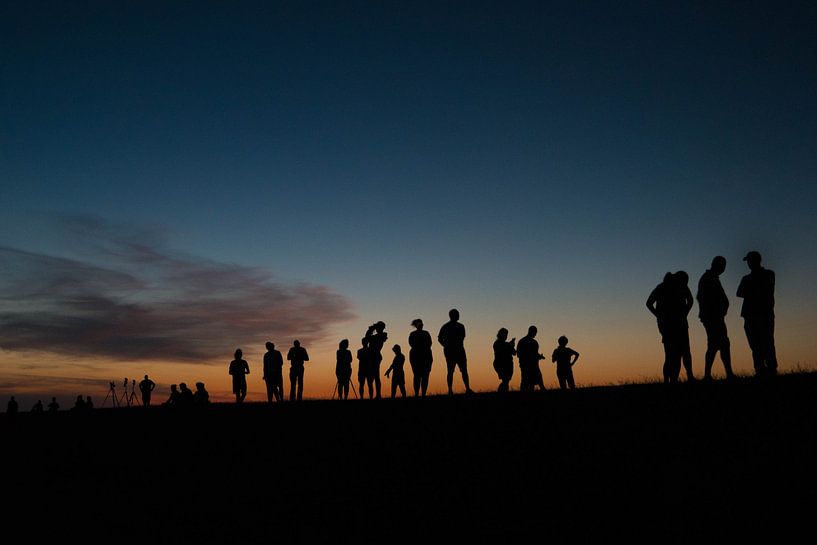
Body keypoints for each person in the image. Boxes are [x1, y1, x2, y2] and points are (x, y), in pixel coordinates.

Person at [736, 251, 777, 377]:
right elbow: (739, 293)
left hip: (759, 314)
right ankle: (762, 369)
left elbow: (741, 292)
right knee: (757, 343)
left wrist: (752, 291)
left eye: (749, 261)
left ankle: (768, 369)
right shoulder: (767, 275)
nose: (748, 264)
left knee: (765, 342)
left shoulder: (765, 275)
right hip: (755, 315)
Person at [697, 256, 735, 380]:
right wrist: (713, 311)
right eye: (722, 266)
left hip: (715, 316)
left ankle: (723, 373)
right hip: (712, 317)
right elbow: (701, 297)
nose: (723, 269)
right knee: (718, 344)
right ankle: (713, 374)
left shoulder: (712, 278)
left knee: (719, 344)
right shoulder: (708, 278)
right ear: (717, 265)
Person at [647, 272, 683, 383]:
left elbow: (649, 303)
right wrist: (658, 315)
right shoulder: (663, 288)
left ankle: (670, 380)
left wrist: (658, 315)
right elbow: (649, 303)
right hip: (668, 324)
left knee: (671, 354)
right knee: (673, 354)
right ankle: (670, 380)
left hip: (670, 324)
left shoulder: (664, 288)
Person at [438, 309, 473, 395]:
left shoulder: (460, 326)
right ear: (452, 316)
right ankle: (450, 390)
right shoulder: (446, 326)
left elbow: (462, 337)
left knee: (463, 370)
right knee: (451, 371)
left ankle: (467, 388)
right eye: (457, 314)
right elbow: (439, 338)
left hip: (459, 350)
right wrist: (445, 346)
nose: (458, 316)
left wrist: (446, 345)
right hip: (452, 351)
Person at [671, 271, 696, 382]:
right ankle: (676, 378)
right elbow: (690, 300)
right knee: (678, 352)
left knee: (684, 351)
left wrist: (686, 311)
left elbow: (690, 300)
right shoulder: (670, 288)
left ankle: (688, 376)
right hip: (673, 324)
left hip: (680, 323)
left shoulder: (683, 287)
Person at [408, 318, 433, 397]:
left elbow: (430, 343)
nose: (421, 325)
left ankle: (423, 394)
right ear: (416, 325)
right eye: (419, 323)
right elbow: (411, 344)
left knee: (425, 376)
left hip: (425, 356)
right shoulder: (413, 334)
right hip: (417, 357)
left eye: (421, 323)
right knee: (417, 376)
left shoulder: (426, 333)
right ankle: (417, 394)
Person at [517, 326, 546, 392]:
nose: (535, 334)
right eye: (535, 333)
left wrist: (539, 356)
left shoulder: (524, 341)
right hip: (526, 365)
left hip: (533, 365)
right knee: (526, 381)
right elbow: (519, 354)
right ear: (531, 332)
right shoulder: (525, 341)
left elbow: (535, 353)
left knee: (531, 381)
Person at [365, 321, 388, 398]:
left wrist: (372, 329)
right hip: (372, 356)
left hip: (375, 356)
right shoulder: (377, 336)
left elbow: (367, 338)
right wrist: (372, 329)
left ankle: (378, 394)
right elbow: (367, 338)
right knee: (373, 377)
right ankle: (374, 395)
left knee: (375, 376)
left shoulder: (381, 336)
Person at [492, 328, 516, 392]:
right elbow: (504, 351)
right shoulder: (497, 343)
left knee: (506, 380)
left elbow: (514, 353)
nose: (506, 336)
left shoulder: (506, 344)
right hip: (501, 364)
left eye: (506, 335)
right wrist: (510, 345)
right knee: (505, 380)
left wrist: (511, 345)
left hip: (507, 364)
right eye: (505, 335)